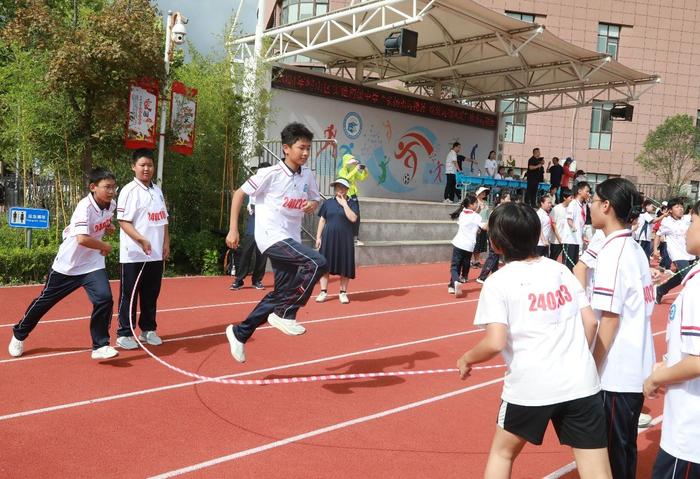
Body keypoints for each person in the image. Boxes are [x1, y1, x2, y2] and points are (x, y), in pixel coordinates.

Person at [457, 202, 611, 479]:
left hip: (531, 387)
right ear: (537, 235)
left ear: (495, 244)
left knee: (503, 453)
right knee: (596, 469)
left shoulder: (498, 282)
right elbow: (591, 322)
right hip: (581, 382)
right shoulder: (560, 270)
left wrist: (466, 358)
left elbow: (494, 342)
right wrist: (578, 358)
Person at [224, 122, 327, 363]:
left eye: (308, 149)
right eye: (301, 148)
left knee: (280, 293)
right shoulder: (269, 174)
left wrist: (313, 205)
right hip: (271, 236)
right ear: (285, 149)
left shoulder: (308, 176)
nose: (305, 153)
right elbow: (239, 194)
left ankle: (240, 333)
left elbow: (314, 201)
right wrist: (232, 229)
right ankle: (286, 313)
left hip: (290, 239)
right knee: (317, 262)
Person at [8, 168, 119, 360]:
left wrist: (108, 227)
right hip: (68, 265)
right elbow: (82, 239)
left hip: (92, 264)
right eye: (107, 187)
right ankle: (19, 333)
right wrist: (104, 246)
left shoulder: (111, 205)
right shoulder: (83, 207)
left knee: (104, 298)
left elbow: (102, 225)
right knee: (45, 302)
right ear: (93, 187)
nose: (111, 191)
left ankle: (100, 345)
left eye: (113, 187)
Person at [587, 178, 655, 479]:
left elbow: (610, 319)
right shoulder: (634, 248)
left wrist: (592, 367)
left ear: (606, 206)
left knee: (613, 454)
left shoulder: (613, 253)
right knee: (624, 449)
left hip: (616, 373)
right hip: (634, 367)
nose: (589, 205)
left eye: (594, 200)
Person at [643, 201, 700, 479]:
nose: (687, 231)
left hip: (690, 433)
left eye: (692, 222)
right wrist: (666, 362)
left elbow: (699, 361)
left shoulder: (698, 286)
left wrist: (658, 378)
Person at [116, 149, 170, 350]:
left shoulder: (157, 190)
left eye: (150, 165)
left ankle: (148, 329)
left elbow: (163, 219)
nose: (146, 169)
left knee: (151, 293)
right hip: (134, 254)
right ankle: (124, 333)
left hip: (155, 254)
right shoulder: (129, 190)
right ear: (133, 167)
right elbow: (123, 221)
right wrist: (141, 240)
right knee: (129, 294)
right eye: (142, 165)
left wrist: (165, 243)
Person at [315, 177, 359, 304]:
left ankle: (343, 293)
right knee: (325, 265)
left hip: (345, 239)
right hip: (328, 238)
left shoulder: (352, 203)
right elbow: (322, 220)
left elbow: (353, 218)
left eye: (342, 187)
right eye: (337, 186)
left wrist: (344, 204)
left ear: (347, 189)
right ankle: (323, 291)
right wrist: (318, 237)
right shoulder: (328, 203)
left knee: (345, 265)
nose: (339, 189)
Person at [229, 163, 272, 291]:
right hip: (253, 220)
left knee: (262, 252)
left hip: (266, 221)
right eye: (260, 170)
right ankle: (239, 280)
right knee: (246, 250)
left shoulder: (272, 185)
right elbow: (241, 193)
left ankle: (257, 280)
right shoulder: (253, 181)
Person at [654, 198, 695, 304]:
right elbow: (658, 234)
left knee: (679, 278)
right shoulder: (666, 223)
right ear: (670, 210)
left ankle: (660, 290)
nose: (680, 209)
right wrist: (655, 250)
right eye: (677, 207)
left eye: (681, 206)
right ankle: (693, 302)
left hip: (690, 254)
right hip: (677, 255)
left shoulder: (687, 219)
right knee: (689, 277)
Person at [448, 192, 484, 297]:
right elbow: (482, 225)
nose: (478, 205)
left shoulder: (462, 213)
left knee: (455, 266)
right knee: (463, 263)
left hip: (459, 243)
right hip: (469, 246)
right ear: (471, 205)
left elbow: (470, 222)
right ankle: (453, 284)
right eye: (476, 203)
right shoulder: (476, 217)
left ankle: (455, 281)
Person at [476, 191, 511, 284]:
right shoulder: (498, 209)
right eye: (508, 198)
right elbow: (491, 221)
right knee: (493, 255)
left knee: (495, 255)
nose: (510, 200)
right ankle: (482, 277)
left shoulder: (503, 209)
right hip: (494, 234)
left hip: (497, 234)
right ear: (502, 199)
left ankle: (494, 275)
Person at [337, 153, 367, 245]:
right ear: (346, 163)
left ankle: (355, 238)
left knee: (356, 216)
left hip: (353, 196)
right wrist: (355, 170)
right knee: (344, 216)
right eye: (350, 163)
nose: (352, 164)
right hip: (345, 196)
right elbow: (345, 179)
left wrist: (365, 171)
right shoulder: (342, 171)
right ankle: (343, 237)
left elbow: (362, 178)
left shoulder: (353, 170)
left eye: (353, 163)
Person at [562, 182, 590, 271]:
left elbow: (580, 223)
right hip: (570, 240)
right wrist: (573, 228)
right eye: (587, 191)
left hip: (577, 241)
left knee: (574, 267)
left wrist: (582, 236)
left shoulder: (583, 205)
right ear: (579, 191)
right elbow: (569, 220)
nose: (588, 194)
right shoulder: (573, 203)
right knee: (567, 267)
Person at [549, 188, 572, 261]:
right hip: (556, 240)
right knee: (553, 259)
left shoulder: (571, 209)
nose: (572, 199)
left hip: (566, 239)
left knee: (565, 260)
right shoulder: (556, 209)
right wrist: (559, 238)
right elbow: (553, 224)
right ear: (564, 198)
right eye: (570, 198)